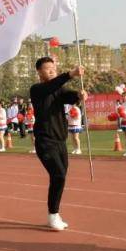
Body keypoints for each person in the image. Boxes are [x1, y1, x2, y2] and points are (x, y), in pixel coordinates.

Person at [29, 57, 87, 231]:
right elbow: (51, 87)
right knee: (59, 175)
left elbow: (67, 96)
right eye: (48, 68)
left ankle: (54, 213)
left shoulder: (58, 89)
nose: (52, 70)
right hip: (45, 142)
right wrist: (70, 74)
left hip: (60, 141)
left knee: (59, 178)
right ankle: (53, 214)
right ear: (39, 72)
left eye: (53, 68)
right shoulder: (38, 89)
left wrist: (79, 95)